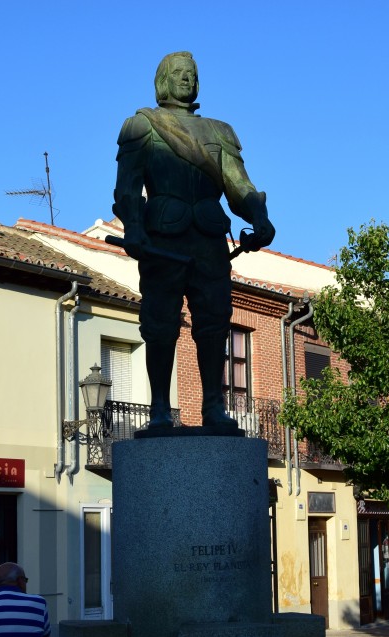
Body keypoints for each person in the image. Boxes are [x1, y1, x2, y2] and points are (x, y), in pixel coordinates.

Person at [113, 51, 275, 430]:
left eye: (192, 74)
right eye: (179, 74)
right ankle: (158, 408)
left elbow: (239, 185)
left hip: (208, 237)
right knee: (159, 324)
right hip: (162, 238)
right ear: (164, 80)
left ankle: (213, 407)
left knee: (214, 323)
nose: (186, 80)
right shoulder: (141, 126)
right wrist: (134, 228)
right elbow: (127, 188)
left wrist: (260, 217)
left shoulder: (220, 131)